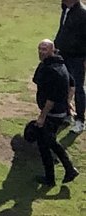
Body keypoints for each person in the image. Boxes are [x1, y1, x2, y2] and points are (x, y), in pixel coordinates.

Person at [30, 39, 80, 187]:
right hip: (59, 111)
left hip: (52, 113)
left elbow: (51, 99)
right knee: (45, 142)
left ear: (52, 50)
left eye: (44, 49)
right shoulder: (60, 64)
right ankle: (54, 176)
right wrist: (68, 102)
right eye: (39, 49)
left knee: (47, 142)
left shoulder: (50, 70)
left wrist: (42, 116)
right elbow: (72, 84)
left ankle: (66, 170)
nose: (41, 52)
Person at [57, 0, 86, 108]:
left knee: (78, 87)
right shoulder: (65, 10)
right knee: (63, 84)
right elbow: (62, 30)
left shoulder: (82, 13)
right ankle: (66, 112)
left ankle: (80, 118)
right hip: (63, 54)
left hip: (77, 57)